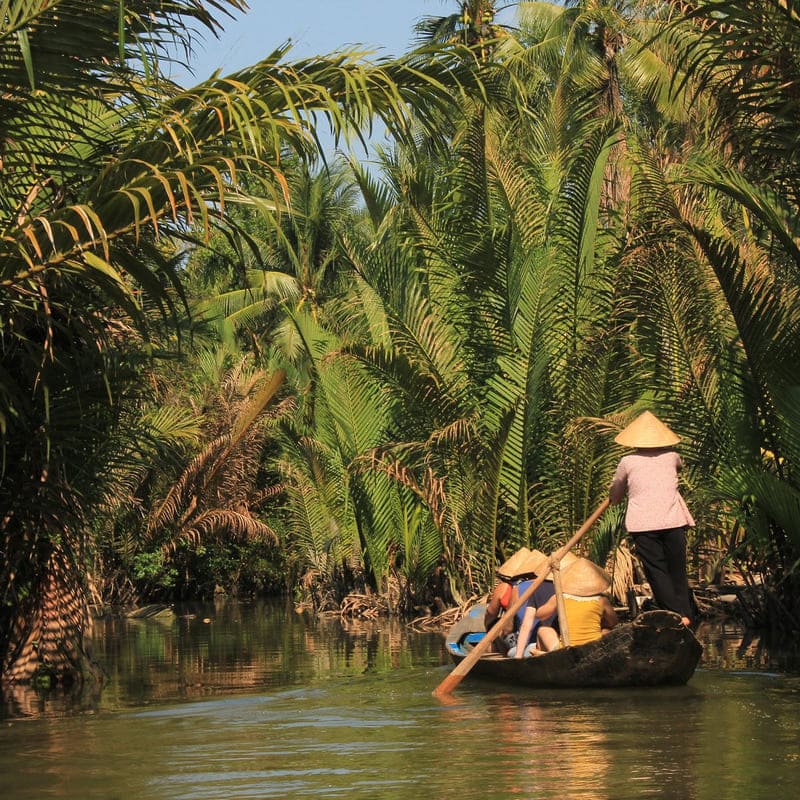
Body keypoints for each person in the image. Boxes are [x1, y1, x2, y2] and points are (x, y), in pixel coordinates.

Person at [608, 410, 695, 626]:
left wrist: (615, 497)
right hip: (673, 520)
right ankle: (685, 614)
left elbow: (616, 494)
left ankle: (675, 614)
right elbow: (676, 470)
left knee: (656, 570)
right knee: (677, 569)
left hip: (643, 524)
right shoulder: (672, 457)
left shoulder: (627, 461)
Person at [534, 557, 618, 652]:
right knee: (606, 630)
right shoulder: (602, 600)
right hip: (593, 647)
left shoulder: (560, 597)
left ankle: (546, 659)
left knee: (543, 630)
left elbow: (540, 615)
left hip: (565, 649)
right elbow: (613, 622)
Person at [484, 548, 553, 655]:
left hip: (526, 642)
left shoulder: (516, 588)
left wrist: (492, 630)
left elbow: (508, 625)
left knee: (496, 632)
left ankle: (502, 655)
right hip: (547, 641)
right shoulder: (557, 588)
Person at [511, 550, 577, 658]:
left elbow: (526, 625)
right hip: (573, 642)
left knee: (540, 633)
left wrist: (518, 656)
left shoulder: (538, 588)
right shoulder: (578, 590)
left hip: (546, 645)